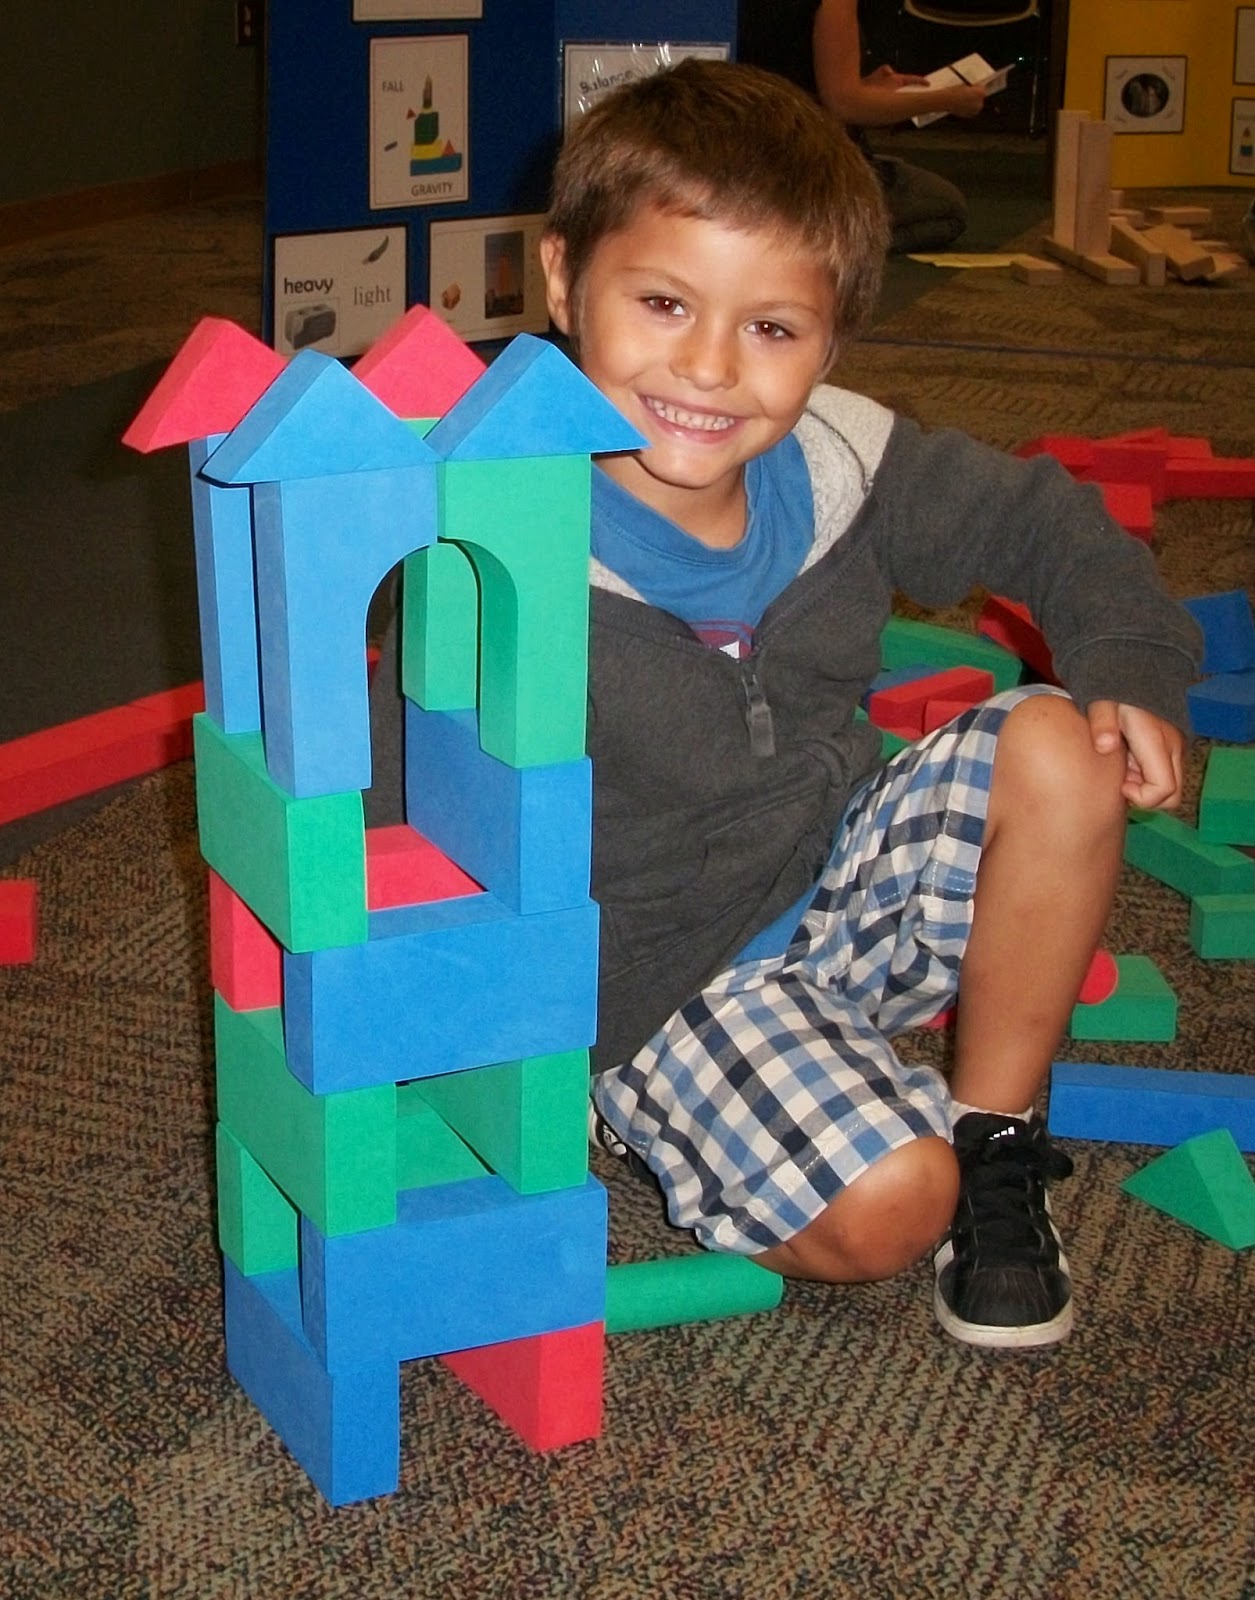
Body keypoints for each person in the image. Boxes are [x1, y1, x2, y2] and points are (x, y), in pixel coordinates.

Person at [534, 57, 1201, 1351]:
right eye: (662, 302)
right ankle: (640, 1104)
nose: (710, 369)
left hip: (834, 885)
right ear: (563, 280)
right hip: (656, 977)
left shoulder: (839, 452)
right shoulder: (503, 537)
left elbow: (1049, 523)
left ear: (830, 337)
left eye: (771, 329)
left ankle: (996, 1138)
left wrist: (1126, 663)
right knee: (893, 1203)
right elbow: (403, 796)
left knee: (1059, 744)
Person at [738, 0, 986, 253]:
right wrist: (947, 100)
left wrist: (868, 88)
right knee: (946, 206)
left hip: (735, 151)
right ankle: (810, 243)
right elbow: (845, 104)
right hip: (800, 161)